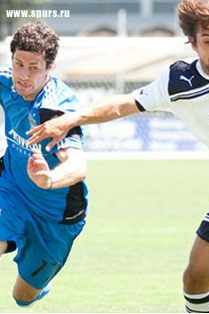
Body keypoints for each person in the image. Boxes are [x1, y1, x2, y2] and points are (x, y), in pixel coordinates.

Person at [27, 0, 209, 312]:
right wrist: (73, 118)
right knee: (196, 280)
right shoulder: (178, 82)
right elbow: (124, 104)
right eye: (208, 42)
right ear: (191, 43)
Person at [0, 22, 88, 307]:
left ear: (50, 68)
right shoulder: (7, 83)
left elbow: (77, 166)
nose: (23, 75)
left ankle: (24, 249)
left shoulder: (55, 109)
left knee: (22, 297)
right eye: (18, 64)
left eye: (34, 67)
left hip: (55, 216)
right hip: (10, 187)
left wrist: (47, 179)